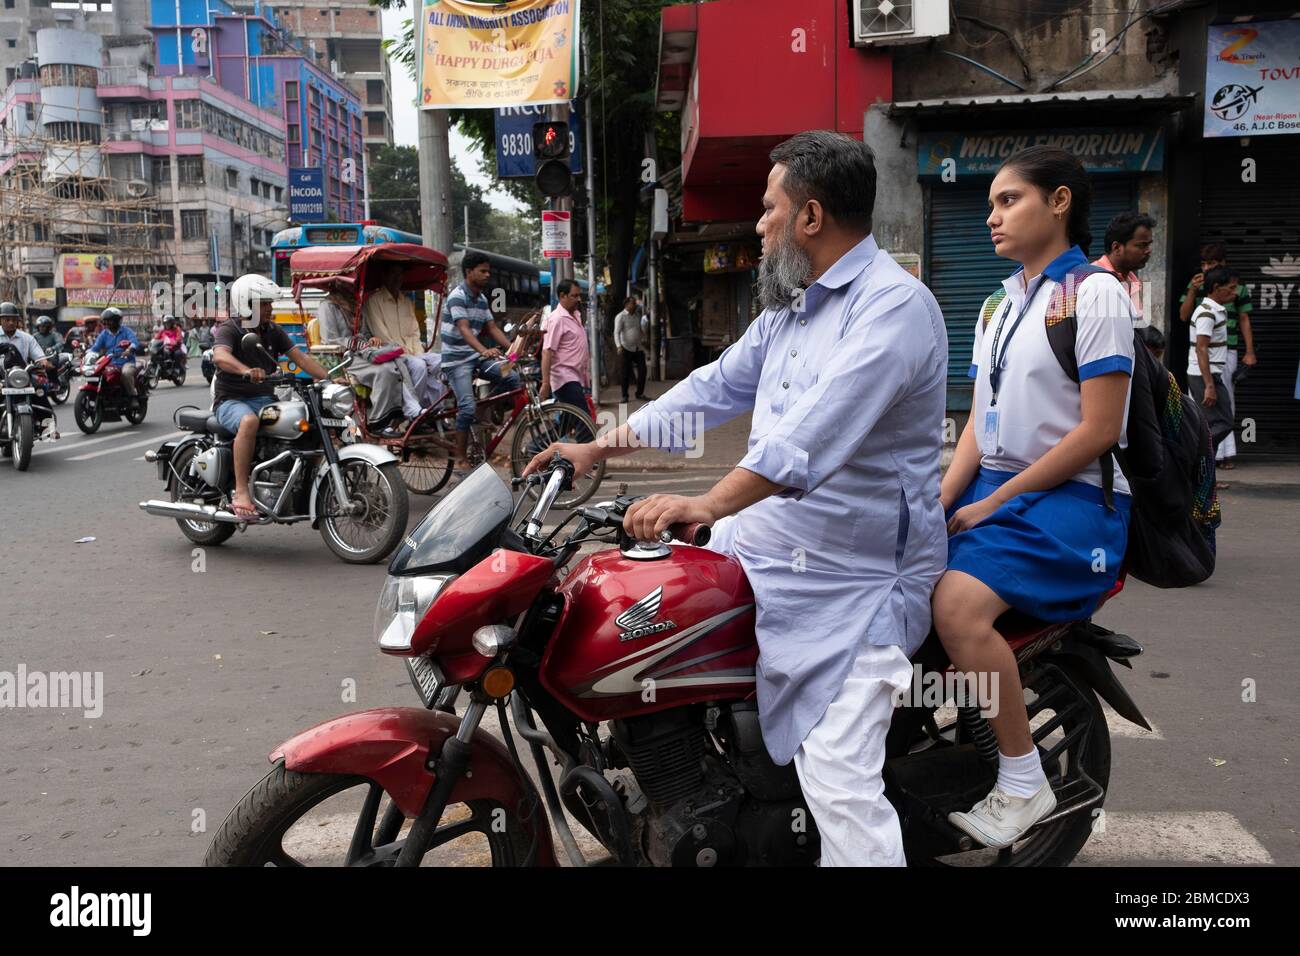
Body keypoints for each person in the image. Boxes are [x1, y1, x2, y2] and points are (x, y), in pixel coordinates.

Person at [524, 130, 948, 866]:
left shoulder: (893, 309)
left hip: (856, 575)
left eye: (768, 208)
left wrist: (711, 501)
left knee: (839, 779)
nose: (759, 224)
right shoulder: (793, 308)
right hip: (767, 542)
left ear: (811, 218)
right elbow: (711, 390)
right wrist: (599, 446)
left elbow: (811, 438)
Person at [935, 146, 1135, 849]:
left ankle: (1023, 779)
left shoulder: (1095, 294)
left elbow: (1099, 430)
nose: (991, 216)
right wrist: (943, 497)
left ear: (1058, 202)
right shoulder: (997, 300)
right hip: (998, 490)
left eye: (1008, 200)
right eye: (989, 203)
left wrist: (996, 502)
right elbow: (977, 426)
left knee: (956, 608)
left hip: (1071, 500)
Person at [211, 274, 331, 520]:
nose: (270, 308)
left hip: (265, 401)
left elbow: (301, 358)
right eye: (264, 303)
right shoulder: (230, 329)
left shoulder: (273, 331)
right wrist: (246, 371)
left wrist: (329, 378)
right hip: (231, 401)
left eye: (269, 303)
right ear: (246, 303)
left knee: (306, 423)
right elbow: (220, 356)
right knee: (249, 422)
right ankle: (242, 492)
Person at [439, 251, 521, 473]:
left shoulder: (482, 299)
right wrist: (485, 350)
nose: (487, 276)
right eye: (482, 271)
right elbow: (464, 329)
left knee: (512, 375)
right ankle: (459, 457)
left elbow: (492, 328)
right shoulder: (458, 296)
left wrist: (513, 352)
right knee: (466, 407)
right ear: (469, 272)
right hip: (457, 361)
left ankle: (489, 409)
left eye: (488, 271)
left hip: (476, 357)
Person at [1178, 242, 1255, 469]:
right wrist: (1192, 290)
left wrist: (1249, 351)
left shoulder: (1231, 293)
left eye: (1211, 262)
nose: (1207, 267)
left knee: (1220, 411)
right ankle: (1198, 459)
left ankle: (1212, 457)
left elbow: (1244, 319)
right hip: (1207, 363)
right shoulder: (1204, 300)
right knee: (1213, 415)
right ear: (1218, 287)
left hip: (1222, 355)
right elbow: (1187, 322)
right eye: (1204, 263)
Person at [362, 260, 447, 427]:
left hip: (413, 352)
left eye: (400, 274)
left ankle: (437, 410)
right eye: (393, 273)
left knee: (443, 361)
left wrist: (418, 353)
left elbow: (414, 332)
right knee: (419, 366)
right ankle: (413, 415)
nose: (397, 278)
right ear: (384, 276)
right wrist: (408, 354)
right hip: (392, 354)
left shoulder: (406, 302)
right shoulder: (373, 301)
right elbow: (382, 334)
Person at [316, 285, 407, 437]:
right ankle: (379, 422)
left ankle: (399, 415)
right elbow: (330, 339)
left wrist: (371, 338)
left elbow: (364, 332)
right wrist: (356, 344)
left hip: (365, 352)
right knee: (385, 371)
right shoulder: (328, 306)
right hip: (345, 357)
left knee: (397, 364)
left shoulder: (358, 304)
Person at [1186, 266, 1238, 458]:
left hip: (1209, 374)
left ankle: (1206, 476)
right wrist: (1209, 385)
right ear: (1217, 287)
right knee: (1223, 422)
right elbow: (1201, 348)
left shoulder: (1215, 310)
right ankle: (1193, 454)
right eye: (1231, 288)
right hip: (1204, 376)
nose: (1234, 292)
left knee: (1213, 424)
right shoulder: (1207, 313)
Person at [1093, 212, 1154, 321]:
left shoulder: (1133, 281)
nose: (1149, 250)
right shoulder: (1093, 281)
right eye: (1142, 245)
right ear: (1116, 248)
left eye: (1149, 244)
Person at [541, 279, 591, 410]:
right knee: (584, 423)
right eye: (574, 296)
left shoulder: (575, 315)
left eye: (579, 295)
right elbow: (547, 351)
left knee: (569, 423)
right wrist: (545, 383)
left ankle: (555, 431)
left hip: (575, 377)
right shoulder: (557, 319)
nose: (578, 299)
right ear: (562, 296)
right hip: (565, 379)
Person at [90, 307, 141, 409]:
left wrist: (130, 349)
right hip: (110, 362)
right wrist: (87, 354)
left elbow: (134, 342)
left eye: (110, 321)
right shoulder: (104, 334)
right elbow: (95, 348)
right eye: (106, 321)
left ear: (117, 320)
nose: (107, 323)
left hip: (126, 362)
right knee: (97, 372)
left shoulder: (126, 331)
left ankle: (132, 396)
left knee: (126, 373)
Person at [613, 295, 647, 402]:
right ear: (627, 305)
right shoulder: (620, 316)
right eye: (633, 303)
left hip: (638, 348)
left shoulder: (637, 315)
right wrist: (618, 346)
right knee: (625, 373)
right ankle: (625, 395)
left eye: (635, 303)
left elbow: (640, 329)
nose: (635, 305)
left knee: (643, 370)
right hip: (625, 348)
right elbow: (616, 332)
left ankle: (639, 393)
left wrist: (644, 338)